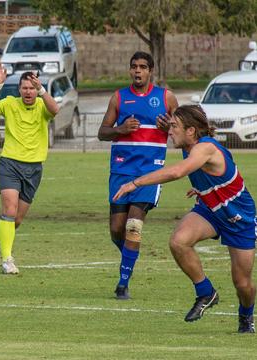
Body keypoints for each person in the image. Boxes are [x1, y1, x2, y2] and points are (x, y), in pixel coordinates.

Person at [113, 105, 256, 333]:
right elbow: (205, 175)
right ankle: (206, 292)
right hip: (210, 209)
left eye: (174, 127)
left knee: (242, 283)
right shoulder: (189, 145)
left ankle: (246, 318)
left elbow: (177, 172)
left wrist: (135, 183)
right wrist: (204, 190)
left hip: (239, 217)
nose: (170, 132)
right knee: (179, 241)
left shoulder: (205, 148)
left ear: (191, 130)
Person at [98, 51, 178, 300]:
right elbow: (102, 132)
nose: (138, 71)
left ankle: (123, 283)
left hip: (150, 171)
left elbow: (181, 132)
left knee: (134, 224)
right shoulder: (119, 98)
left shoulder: (166, 97)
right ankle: (130, 256)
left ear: (151, 70)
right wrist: (120, 129)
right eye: (134, 67)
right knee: (116, 229)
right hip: (121, 171)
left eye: (143, 67)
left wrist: (169, 128)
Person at [0, 66, 60, 274]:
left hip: (34, 168)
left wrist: (43, 90)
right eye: (25, 87)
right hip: (10, 163)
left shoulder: (42, 106)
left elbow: (56, 110)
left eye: (32, 88)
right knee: (9, 211)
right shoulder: (10, 103)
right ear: (19, 89)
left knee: (15, 220)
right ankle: (8, 260)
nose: (28, 91)